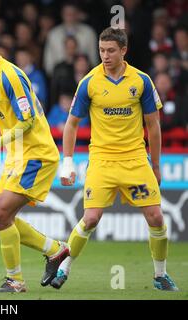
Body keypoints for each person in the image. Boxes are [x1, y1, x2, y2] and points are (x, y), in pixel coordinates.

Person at [56, 27, 179, 291]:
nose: (105, 56)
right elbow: (71, 124)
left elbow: (153, 126)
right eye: (101, 50)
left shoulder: (141, 81)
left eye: (111, 50)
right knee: (90, 218)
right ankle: (64, 267)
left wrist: (155, 165)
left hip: (135, 159)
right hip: (102, 159)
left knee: (156, 217)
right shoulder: (89, 82)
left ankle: (160, 275)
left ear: (124, 50)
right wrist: (67, 162)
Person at [0, 27, 69, 293]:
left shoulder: (11, 76)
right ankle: (54, 250)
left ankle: (16, 280)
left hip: (36, 154)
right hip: (18, 155)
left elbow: (28, 120)